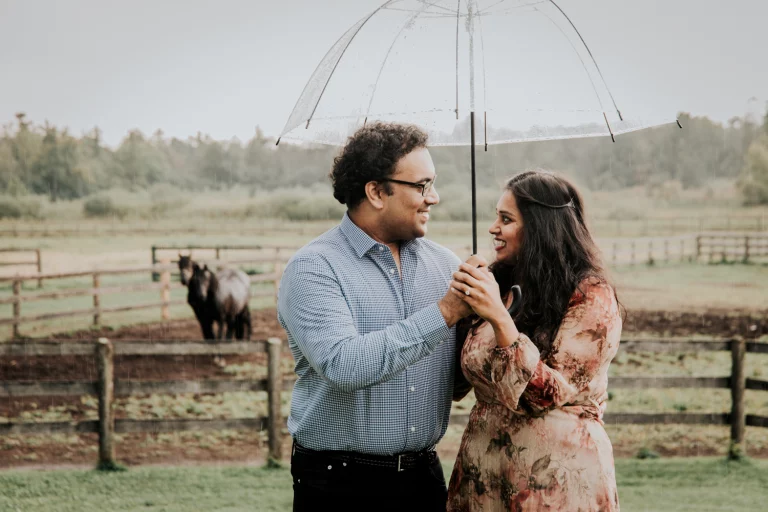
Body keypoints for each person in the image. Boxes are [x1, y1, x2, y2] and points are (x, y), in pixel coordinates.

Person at [277, 122, 471, 512]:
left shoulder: (449, 267)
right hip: (339, 486)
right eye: (422, 185)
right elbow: (345, 365)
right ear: (376, 192)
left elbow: (451, 387)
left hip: (425, 478)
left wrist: (483, 327)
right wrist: (448, 312)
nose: (434, 197)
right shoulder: (314, 269)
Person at [446, 170, 623, 511]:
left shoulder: (590, 295)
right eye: (496, 217)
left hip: (556, 481)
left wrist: (499, 318)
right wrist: (461, 314)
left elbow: (546, 395)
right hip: (485, 477)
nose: (493, 228)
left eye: (506, 219)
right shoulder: (498, 286)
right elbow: (457, 386)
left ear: (540, 227)